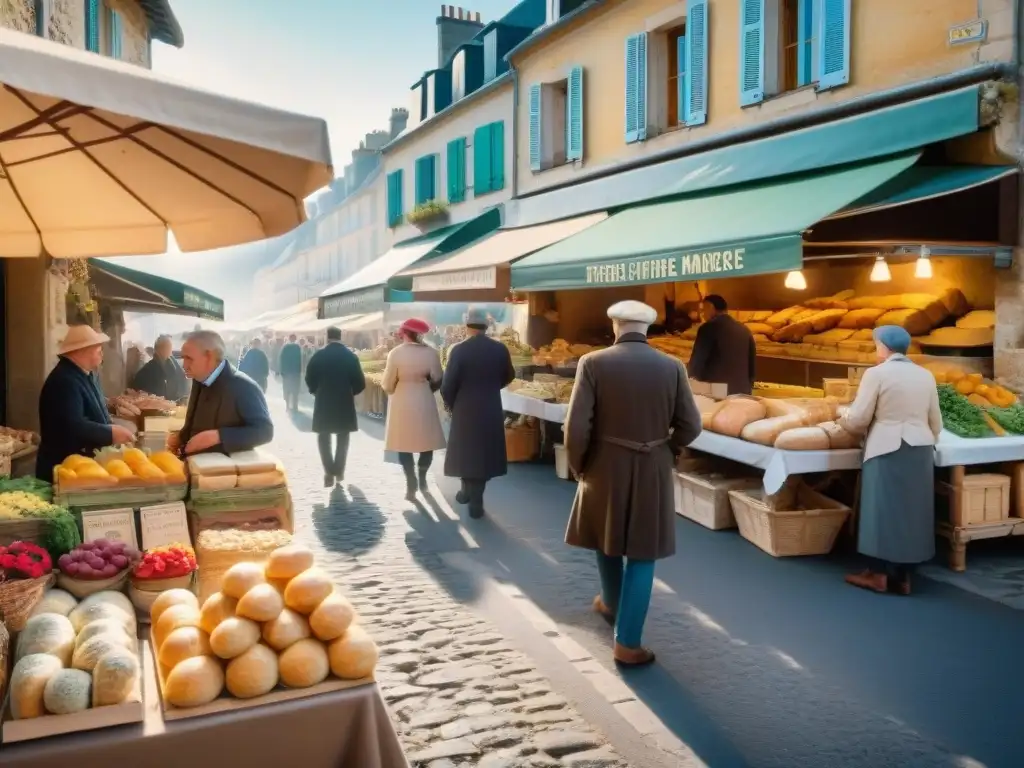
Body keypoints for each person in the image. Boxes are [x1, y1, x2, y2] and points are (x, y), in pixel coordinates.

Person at [564, 301, 702, 666]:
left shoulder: (593, 363)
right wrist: (666, 447)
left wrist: (579, 465)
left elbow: (577, 426)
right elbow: (692, 425)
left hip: (604, 464)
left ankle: (610, 601)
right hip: (652, 466)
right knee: (643, 553)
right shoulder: (673, 367)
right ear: (647, 329)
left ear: (615, 326)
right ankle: (628, 643)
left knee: (604, 535)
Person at [836, 325, 942, 596]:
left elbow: (859, 420)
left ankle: (878, 575)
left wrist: (842, 418)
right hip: (920, 449)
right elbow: (936, 422)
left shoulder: (876, 374)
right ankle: (904, 578)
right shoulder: (925, 375)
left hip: (886, 447)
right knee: (911, 513)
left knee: (881, 511)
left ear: (883, 346)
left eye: (875, 345)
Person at [441, 307, 516, 519]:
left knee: (466, 453)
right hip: (490, 406)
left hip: (464, 407)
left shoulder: (458, 350)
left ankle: (468, 492)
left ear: (467, 326)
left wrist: (451, 403)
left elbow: (448, 385)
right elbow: (508, 376)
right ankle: (475, 496)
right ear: (487, 326)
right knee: (484, 454)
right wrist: (491, 386)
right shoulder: (500, 349)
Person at [37, 325, 135, 481]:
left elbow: (92, 407)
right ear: (83, 351)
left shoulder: (84, 374)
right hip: (63, 470)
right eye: (98, 349)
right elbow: (72, 425)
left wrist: (110, 423)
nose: (102, 353)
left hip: (79, 467)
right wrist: (110, 433)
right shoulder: (64, 380)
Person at [170, 330, 273, 457]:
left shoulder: (243, 386)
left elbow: (265, 432)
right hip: (195, 465)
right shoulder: (199, 378)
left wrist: (219, 436)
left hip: (221, 471)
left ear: (209, 356)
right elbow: (191, 422)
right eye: (183, 358)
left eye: (189, 359)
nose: (184, 365)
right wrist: (180, 438)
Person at [381, 318, 446, 500]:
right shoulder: (431, 352)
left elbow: (387, 383)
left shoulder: (395, 353)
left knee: (404, 442)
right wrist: (427, 387)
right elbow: (438, 377)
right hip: (423, 396)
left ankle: (411, 483)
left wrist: (392, 389)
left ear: (404, 333)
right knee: (426, 441)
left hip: (402, 398)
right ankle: (423, 478)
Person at [306, 326, 366, 487]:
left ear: (327, 337)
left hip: (323, 399)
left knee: (323, 436)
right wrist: (350, 392)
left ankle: (328, 471)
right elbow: (360, 382)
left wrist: (315, 391)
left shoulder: (318, 355)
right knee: (343, 436)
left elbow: (309, 377)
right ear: (341, 337)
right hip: (343, 400)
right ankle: (339, 470)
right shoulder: (350, 356)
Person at [687, 294, 756, 395]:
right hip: (743, 390)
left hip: (718, 391)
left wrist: (688, 381)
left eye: (703, 310)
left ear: (711, 307)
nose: (702, 314)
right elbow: (752, 364)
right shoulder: (745, 330)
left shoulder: (708, 328)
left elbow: (697, 361)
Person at [131, 334, 189, 402]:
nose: (170, 352)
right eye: (167, 348)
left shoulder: (172, 364)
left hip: (174, 402)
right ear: (158, 350)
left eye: (170, 348)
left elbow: (182, 383)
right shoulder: (146, 372)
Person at [279, 334, 303, 412]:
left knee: (287, 389)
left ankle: (287, 406)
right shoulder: (297, 347)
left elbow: (281, 359)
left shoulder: (285, 347)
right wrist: (300, 371)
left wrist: (282, 371)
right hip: (295, 372)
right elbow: (300, 360)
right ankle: (295, 406)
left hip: (287, 372)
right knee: (295, 390)